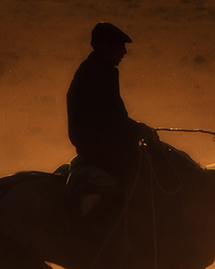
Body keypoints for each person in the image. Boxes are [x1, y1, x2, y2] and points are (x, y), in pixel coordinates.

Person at [66, 22, 160, 214]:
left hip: (93, 143)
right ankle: (130, 223)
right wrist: (140, 130)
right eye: (119, 46)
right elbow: (113, 119)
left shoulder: (93, 69)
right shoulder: (99, 73)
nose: (124, 52)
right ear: (104, 47)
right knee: (142, 173)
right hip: (99, 146)